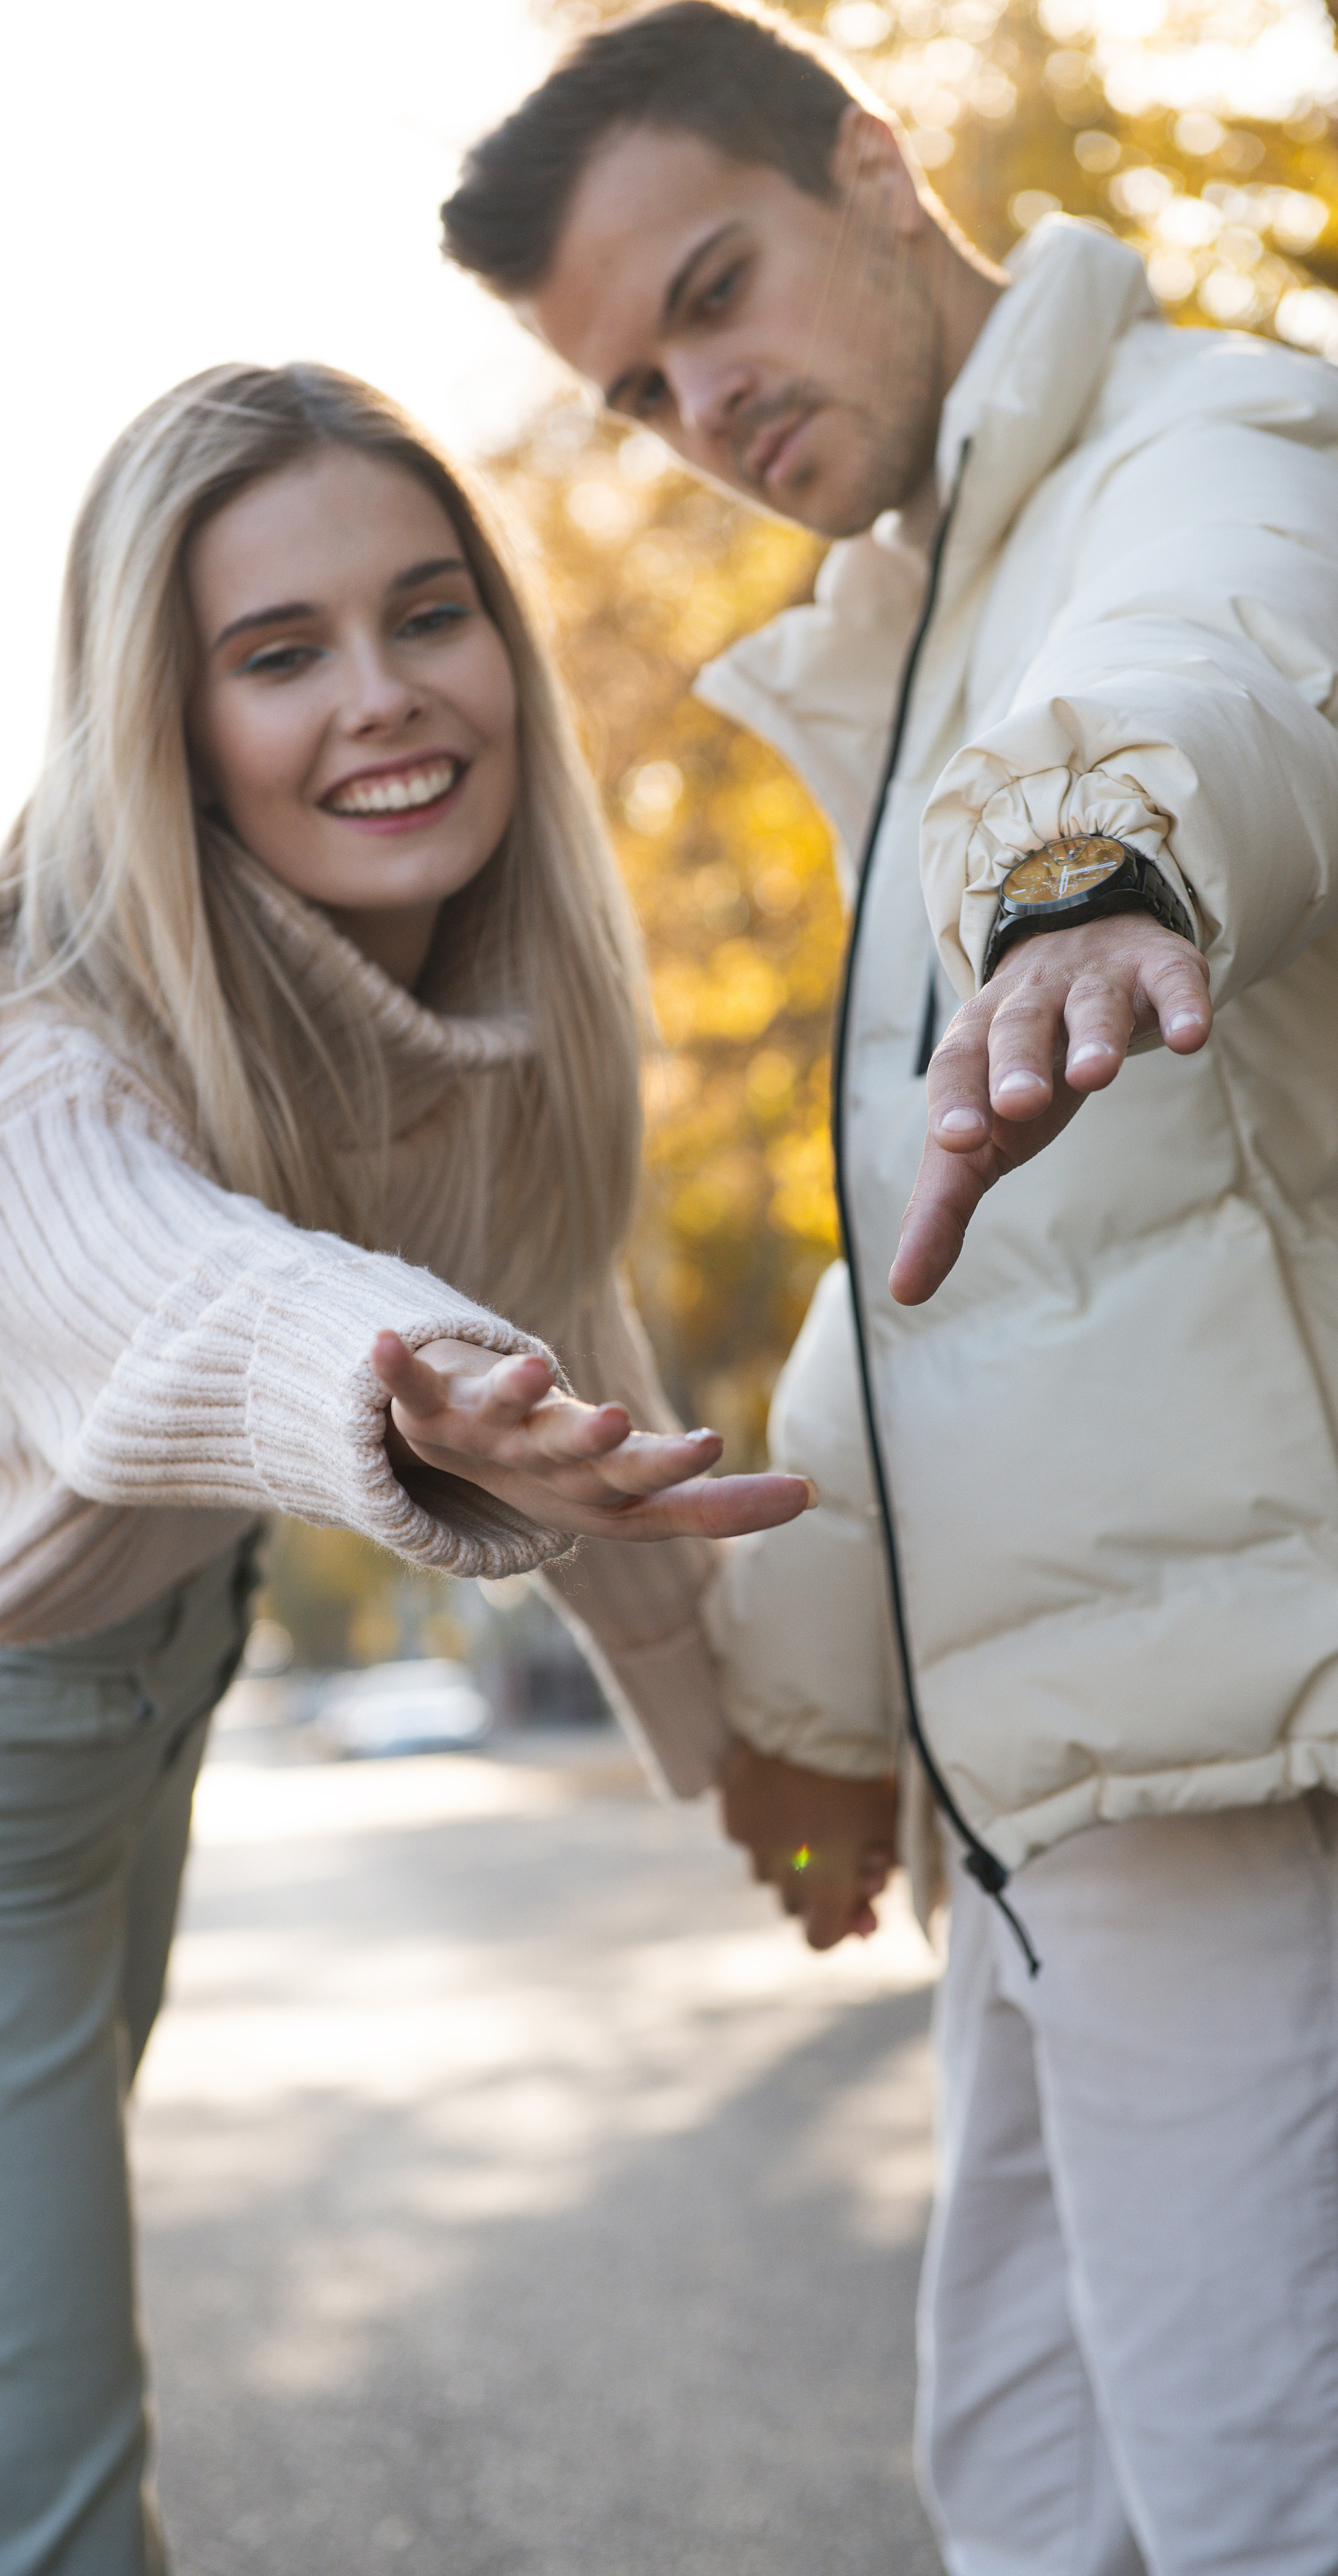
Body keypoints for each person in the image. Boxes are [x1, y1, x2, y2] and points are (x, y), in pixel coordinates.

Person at [443, 11, 1338, 2572]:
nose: (702, 403)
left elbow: (1223, 668)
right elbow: (936, 1293)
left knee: (1271, 2529)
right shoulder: (933, 621)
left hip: (1278, 1725)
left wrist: (1095, 876)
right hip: (1083, 1755)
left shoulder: (1215, 450)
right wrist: (808, 1711)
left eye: (720, 290)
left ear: (880, 170)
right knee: (1037, 2511)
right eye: (636, 387)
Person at [0, 359, 813, 2576]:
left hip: (127, 1722)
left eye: (426, 614)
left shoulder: (456, 1017)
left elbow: (586, 1374)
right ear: (167, 725)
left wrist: (747, 1753)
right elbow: (161, 1292)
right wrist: (408, 1369)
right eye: (278, 655)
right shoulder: (50, 1039)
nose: (385, 699)